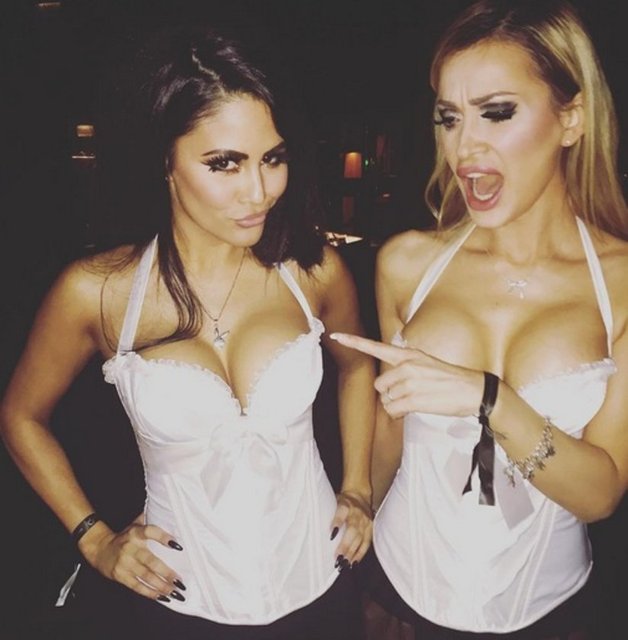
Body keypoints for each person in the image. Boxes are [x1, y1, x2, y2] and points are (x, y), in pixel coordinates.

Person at [0, 28, 375, 640]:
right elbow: (21, 416)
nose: (259, 192)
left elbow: (357, 365)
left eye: (272, 158)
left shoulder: (313, 272)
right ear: (164, 161)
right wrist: (93, 538)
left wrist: (358, 488)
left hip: (322, 588)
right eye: (225, 163)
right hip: (176, 603)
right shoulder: (97, 291)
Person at [332, 1, 628, 638]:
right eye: (449, 118)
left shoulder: (622, 284)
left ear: (571, 119)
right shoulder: (407, 263)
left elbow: (601, 495)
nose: (464, 148)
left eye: (497, 112)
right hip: (400, 586)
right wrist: (356, 535)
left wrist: (488, 398)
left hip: (548, 611)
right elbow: (390, 426)